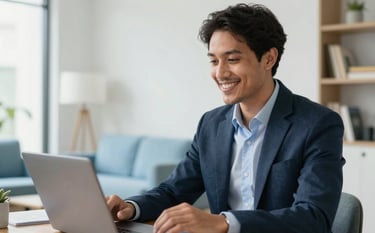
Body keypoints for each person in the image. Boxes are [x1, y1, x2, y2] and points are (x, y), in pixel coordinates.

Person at [107, 3, 344, 233]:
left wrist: (224, 223)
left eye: (232, 60)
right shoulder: (211, 124)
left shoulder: (318, 124)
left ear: (269, 59)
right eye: (213, 60)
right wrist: (131, 207)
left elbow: (314, 217)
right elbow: (173, 191)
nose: (220, 73)